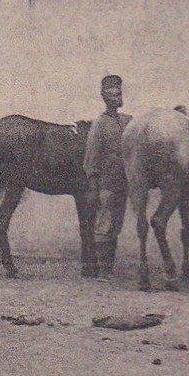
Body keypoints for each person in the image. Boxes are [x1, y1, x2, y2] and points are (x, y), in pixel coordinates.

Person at [83, 74, 132, 282]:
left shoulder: (128, 121)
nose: (117, 97)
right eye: (112, 94)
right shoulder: (100, 124)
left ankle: (109, 267)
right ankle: (104, 270)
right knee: (104, 225)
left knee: (116, 226)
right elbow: (92, 157)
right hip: (106, 184)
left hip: (123, 183)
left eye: (119, 93)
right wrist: (93, 186)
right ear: (104, 97)